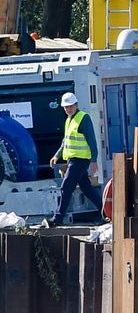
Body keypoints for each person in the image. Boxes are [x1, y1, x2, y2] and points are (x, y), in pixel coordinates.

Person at [49, 92, 103, 226]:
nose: (68, 109)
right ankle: (107, 213)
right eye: (66, 107)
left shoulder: (83, 118)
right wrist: (57, 155)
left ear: (76, 105)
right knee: (87, 189)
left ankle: (58, 218)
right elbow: (65, 141)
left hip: (80, 160)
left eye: (70, 106)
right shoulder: (69, 120)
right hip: (73, 160)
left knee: (66, 187)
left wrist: (94, 160)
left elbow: (92, 140)